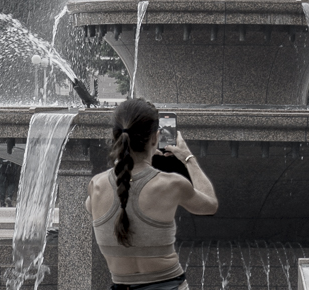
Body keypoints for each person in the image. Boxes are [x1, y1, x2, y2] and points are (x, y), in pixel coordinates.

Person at [86, 98, 218, 290]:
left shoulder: (96, 185)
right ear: (155, 138)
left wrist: (128, 162)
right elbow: (210, 205)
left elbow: (100, 204)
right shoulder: (172, 184)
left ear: (116, 137)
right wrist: (188, 158)